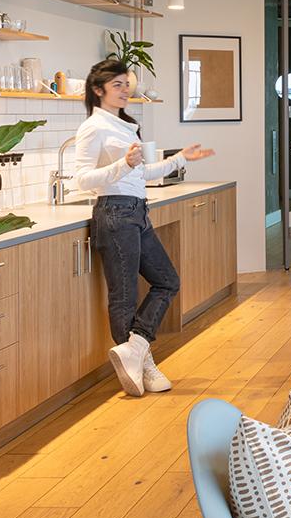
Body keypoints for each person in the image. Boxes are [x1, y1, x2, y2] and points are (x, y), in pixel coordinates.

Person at [69, 58, 215, 396]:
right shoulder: (93, 127)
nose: (125, 90)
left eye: (127, 84)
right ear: (98, 90)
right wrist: (123, 164)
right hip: (114, 212)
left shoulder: (126, 125)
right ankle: (143, 365)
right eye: (117, 85)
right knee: (125, 296)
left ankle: (135, 349)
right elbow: (82, 179)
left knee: (167, 281)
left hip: (137, 211)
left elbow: (142, 173)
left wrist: (180, 159)